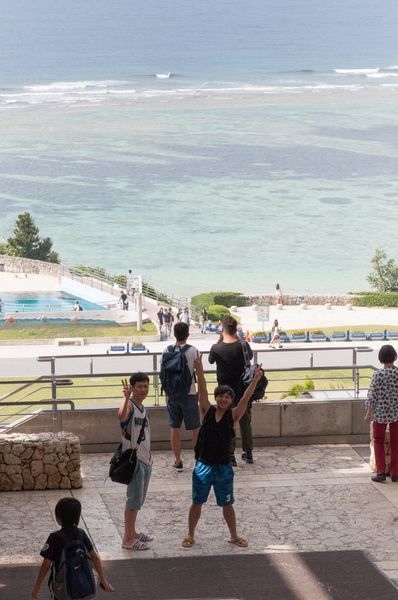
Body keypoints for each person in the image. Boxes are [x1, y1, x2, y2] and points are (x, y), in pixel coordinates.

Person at [181, 354, 263, 549]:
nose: (223, 399)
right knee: (197, 502)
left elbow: (245, 398)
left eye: (227, 397)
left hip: (224, 468)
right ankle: (190, 535)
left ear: (230, 401)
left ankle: (234, 535)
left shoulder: (233, 416)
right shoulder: (206, 411)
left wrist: (256, 379)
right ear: (216, 398)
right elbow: (202, 390)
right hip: (203, 466)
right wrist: (199, 369)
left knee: (227, 504)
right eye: (220, 396)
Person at [31, 497, 113, 599]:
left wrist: (37, 587)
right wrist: (103, 579)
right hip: (84, 585)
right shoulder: (81, 533)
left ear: (58, 518)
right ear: (78, 518)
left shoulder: (54, 538)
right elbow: (94, 557)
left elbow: (45, 565)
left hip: (63, 588)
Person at [208, 316, 254, 465]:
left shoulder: (216, 347)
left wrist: (219, 340)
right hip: (242, 388)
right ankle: (248, 453)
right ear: (236, 329)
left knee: (228, 422)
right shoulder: (243, 345)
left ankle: (230, 454)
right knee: (245, 420)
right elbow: (250, 357)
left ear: (222, 329)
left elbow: (210, 360)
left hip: (224, 392)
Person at [119, 372, 153, 550]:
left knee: (138, 500)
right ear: (132, 388)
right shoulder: (130, 406)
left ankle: (132, 533)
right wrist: (125, 398)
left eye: (146, 386)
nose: (143, 389)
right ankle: (127, 539)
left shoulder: (143, 408)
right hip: (134, 460)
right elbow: (121, 416)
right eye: (139, 386)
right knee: (133, 500)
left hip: (145, 459)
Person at [162, 321, 200, 472]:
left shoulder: (166, 350)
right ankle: (198, 459)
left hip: (172, 394)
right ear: (188, 334)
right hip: (189, 392)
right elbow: (199, 370)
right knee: (195, 428)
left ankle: (177, 460)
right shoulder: (194, 351)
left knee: (174, 427)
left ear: (174, 334)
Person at [365, 344, 398, 483]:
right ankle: (396, 473)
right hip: (397, 413)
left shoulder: (377, 375)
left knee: (378, 441)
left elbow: (372, 396)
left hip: (380, 414)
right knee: (396, 442)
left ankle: (381, 472)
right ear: (395, 357)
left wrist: (368, 414)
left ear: (381, 358)